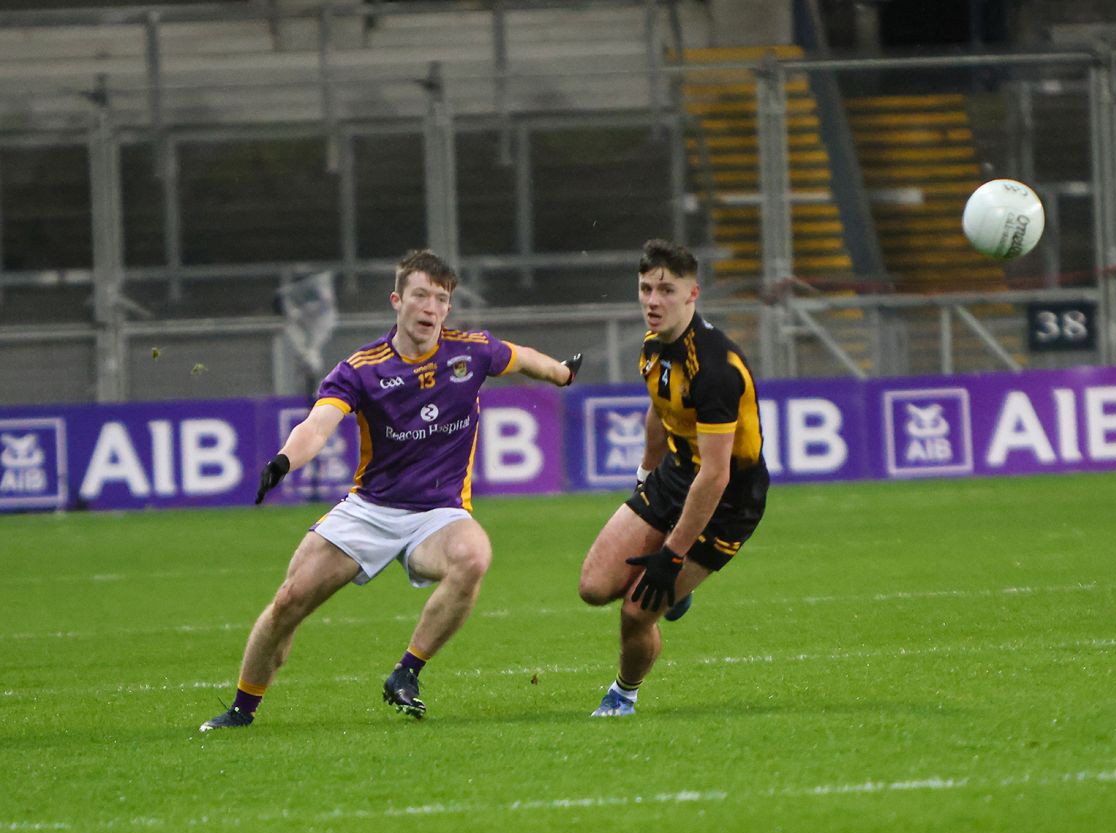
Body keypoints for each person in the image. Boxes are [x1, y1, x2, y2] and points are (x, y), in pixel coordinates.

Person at [200, 248, 581, 731]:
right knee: (289, 603)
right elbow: (319, 424)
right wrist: (283, 461)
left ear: (448, 308)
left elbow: (524, 359)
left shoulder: (471, 351)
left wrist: (563, 373)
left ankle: (406, 672)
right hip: (370, 510)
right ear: (397, 301)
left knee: (474, 556)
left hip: (438, 513)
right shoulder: (362, 368)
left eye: (440, 299)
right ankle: (240, 710)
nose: (430, 308)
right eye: (420, 295)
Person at [578, 238, 769, 716]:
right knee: (594, 587)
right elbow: (658, 409)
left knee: (634, 614)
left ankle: (623, 693)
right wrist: (645, 474)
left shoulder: (716, 370)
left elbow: (717, 475)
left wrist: (671, 554)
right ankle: (675, 598)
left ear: (692, 294)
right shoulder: (652, 345)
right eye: (645, 289)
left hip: (726, 501)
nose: (652, 301)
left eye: (665, 290)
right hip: (675, 475)